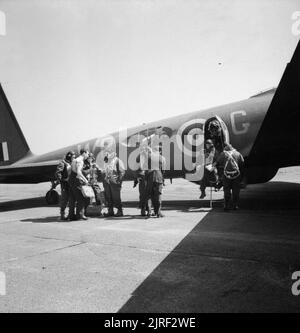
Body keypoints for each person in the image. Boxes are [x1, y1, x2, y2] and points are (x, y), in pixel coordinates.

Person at [215, 143, 244, 211]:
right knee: (236, 190)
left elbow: (218, 162)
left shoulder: (223, 154)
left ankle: (227, 206)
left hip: (226, 175)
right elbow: (242, 163)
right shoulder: (238, 154)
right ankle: (235, 205)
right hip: (236, 175)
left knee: (226, 190)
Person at [102, 148, 125, 217]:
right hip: (107, 182)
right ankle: (110, 211)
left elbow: (122, 172)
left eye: (108, 153)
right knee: (108, 197)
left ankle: (119, 211)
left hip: (114, 182)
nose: (107, 154)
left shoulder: (117, 160)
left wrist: (118, 182)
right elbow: (104, 171)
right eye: (106, 153)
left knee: (116, 197)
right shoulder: (106, 161)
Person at [145, 145, 166, 218]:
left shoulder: (148, 157)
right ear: (160, 151)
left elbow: (145, 167)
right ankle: (158, 212)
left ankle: (149, 212)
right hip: (158, 177)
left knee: (149, 195)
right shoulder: (162, 158)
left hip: (150, 177)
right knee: (158, 195)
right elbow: (163, 170)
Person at [68, 149, 90, 220]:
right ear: (84, 153)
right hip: (76, 181)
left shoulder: (74, 160)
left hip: (71, 180)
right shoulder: (80, 161)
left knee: (72, 198)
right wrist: (85, 180)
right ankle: (80, 215)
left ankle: (71, 215)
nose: (88, 155)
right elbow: (79, 172)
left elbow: (70, 170)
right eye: (87, 154)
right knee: (80, 198)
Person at [55, 151, 75, 220]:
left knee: (72, 200)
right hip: (65, 185)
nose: (74, 158)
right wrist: (62, 180)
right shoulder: (62, 163)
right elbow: (58, 173)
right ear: (69, 156)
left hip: (71, 184)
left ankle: (70, 214)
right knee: (64, 199)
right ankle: (62, 215)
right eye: (73, 157)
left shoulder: (71, 163)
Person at [133, 146, 150, 216]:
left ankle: (148, 210)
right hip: (143, 179)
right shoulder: (139, 158)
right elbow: (135, 169)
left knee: (148, 195)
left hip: (148, 178)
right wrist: (138, 177)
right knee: (144, 195)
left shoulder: (150, 157)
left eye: (144, 150)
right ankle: (143, 210)